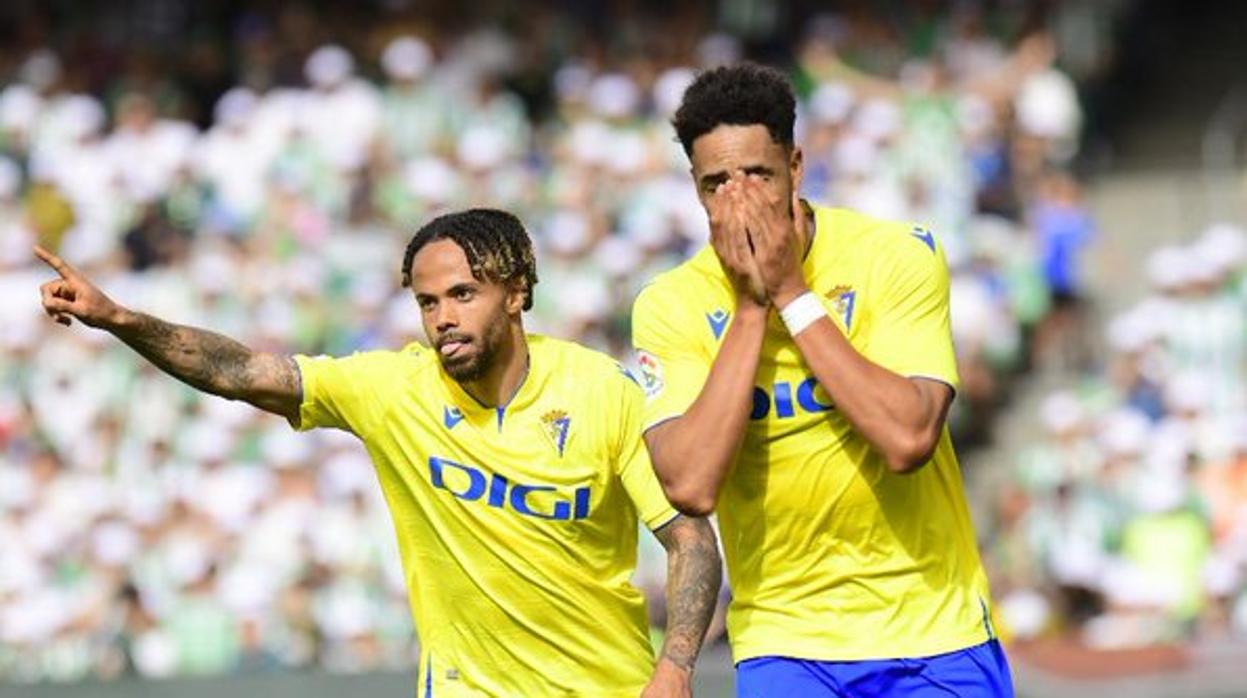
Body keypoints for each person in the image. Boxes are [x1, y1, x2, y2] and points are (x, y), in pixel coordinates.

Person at [36, 207, 721, 697]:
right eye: (427, 303)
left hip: (610, 685)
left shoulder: (602, 391)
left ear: (515, 295)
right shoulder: (393, 388)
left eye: (462, 295)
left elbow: (689, 538)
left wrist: (676, 668)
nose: (442, 318)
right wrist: (121, 319)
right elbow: (242, 372)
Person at [631, 63, 1013, 696]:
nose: (740, 198)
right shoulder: (669, 305)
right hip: (788, 643)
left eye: (758, 174)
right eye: (717, 183)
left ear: (796, 167)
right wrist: (753, 307)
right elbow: (691, 485)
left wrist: (790, 291)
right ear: (696, 193)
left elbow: (909, 438)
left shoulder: (894, 257)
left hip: (934, 631)